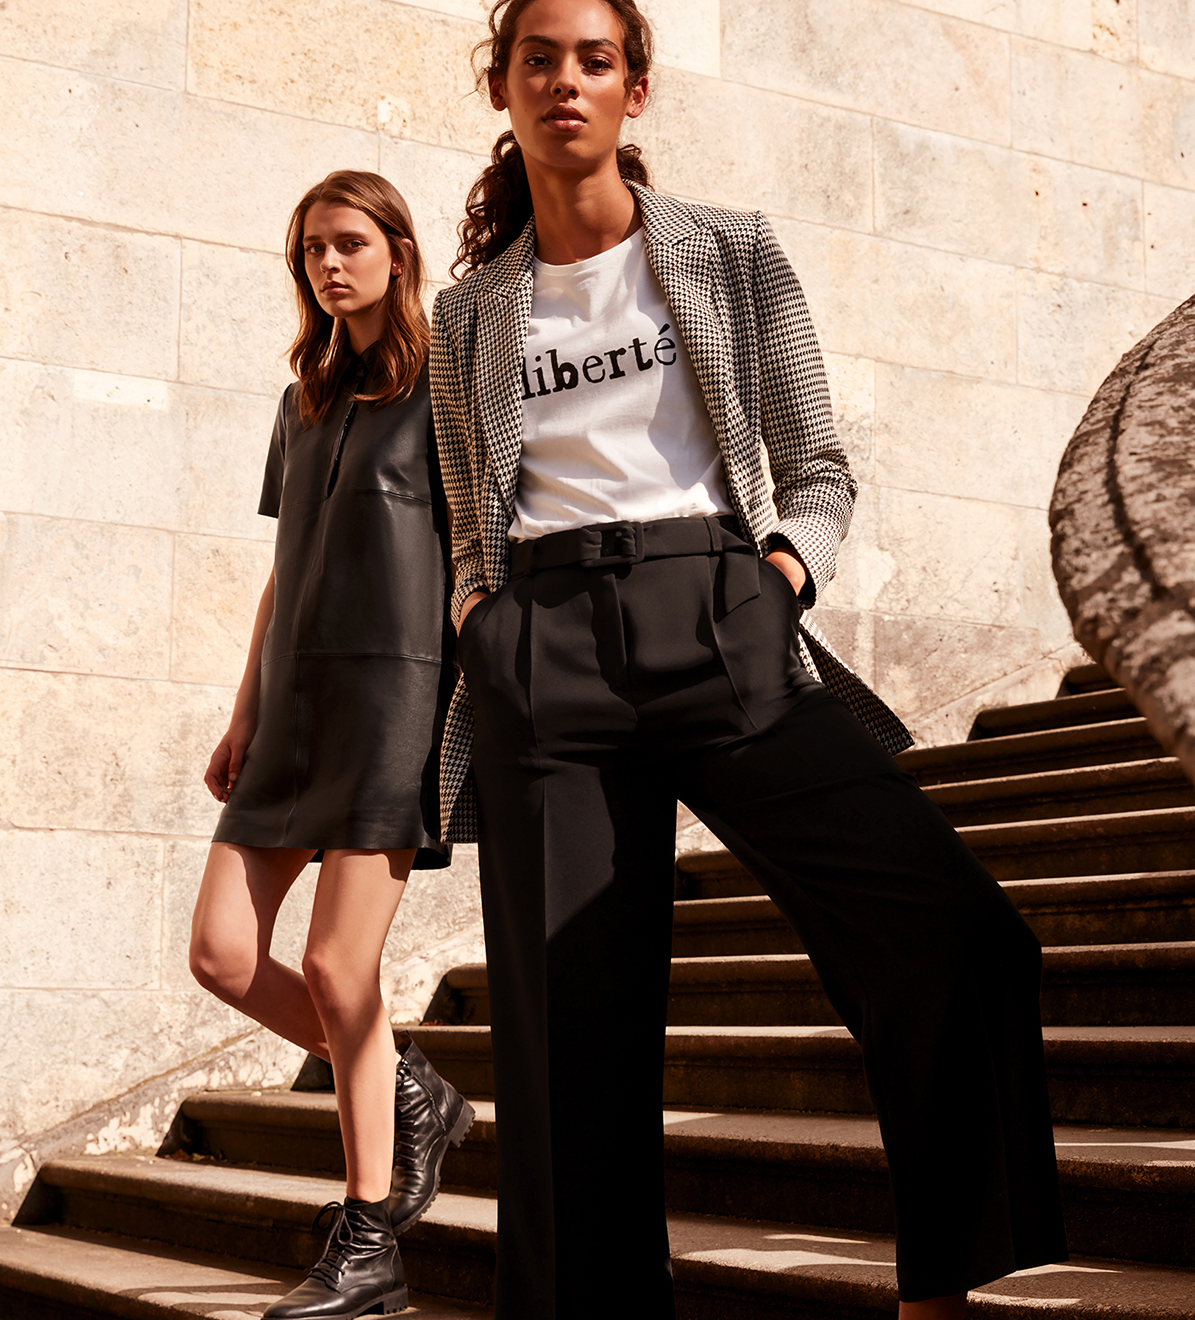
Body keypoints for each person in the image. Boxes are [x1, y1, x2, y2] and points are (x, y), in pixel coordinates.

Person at [428, 2, 1069, 1317]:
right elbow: (467, 514)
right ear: (502, 87)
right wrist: (481, 618)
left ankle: (942, 1288)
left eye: (594, 60)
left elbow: (818, 462)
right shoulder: (468, 314)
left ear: (636, 89)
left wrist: (779, 581)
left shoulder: (730, 252)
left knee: (949, 924)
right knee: (563, 1052)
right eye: (538, 59)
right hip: (544, 648)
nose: (564, 81)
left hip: (718, 611)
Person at [189, 170, 473, 1320]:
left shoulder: (450, 386)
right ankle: (411, 1088)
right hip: (292, 709)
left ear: (398, 250)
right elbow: (286, 565)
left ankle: (369, 1245)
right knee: (221, 952)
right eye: (312, 249)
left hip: (394, 702)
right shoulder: (301, 399)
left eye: (349, 243)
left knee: (338, 969)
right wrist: (244, 711)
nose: (328, 264)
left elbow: (482, 550)